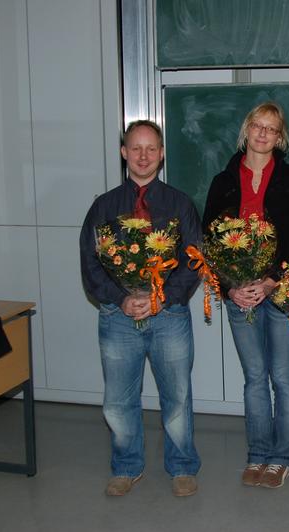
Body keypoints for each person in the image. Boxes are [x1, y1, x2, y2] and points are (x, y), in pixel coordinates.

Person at [80, 119, 203, 497]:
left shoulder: (180, 204)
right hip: (118, 317)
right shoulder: (103, 207)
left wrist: (160, 298)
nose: (143, 156)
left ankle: (182, 467)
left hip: (169, 315)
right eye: (136, 148)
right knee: (118, 401)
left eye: (151, 148)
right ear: (124, 153)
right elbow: (90, 263)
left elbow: (193, 259)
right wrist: (121, 298)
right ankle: (126, 467)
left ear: (162, 154)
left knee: (177, 397)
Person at [202, 102, 289, 489]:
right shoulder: (223, 180)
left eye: (272, 128)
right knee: (253, 378)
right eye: (257, 126)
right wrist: (230, 286)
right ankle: (258, 453)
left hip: (279, 294)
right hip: (239, 296)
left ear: (280, 138)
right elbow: (210, 240)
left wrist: (270, 281)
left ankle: (282, 458)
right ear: (246, 130)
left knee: (282, 376)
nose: (263, 134)